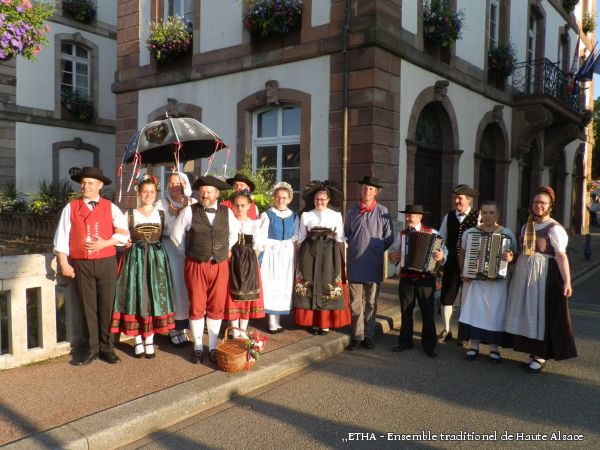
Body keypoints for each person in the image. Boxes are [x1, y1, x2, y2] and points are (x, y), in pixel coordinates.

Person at [53, 166, 129, 365]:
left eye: (90, 183)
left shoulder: (110, 207)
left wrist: (104, 242)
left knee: (107, 307)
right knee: (88, 308)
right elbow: (61, 238)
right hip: (83, 264)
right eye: (84, 183)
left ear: (100, 185)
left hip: (106, 263)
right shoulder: (71, 207)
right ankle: (92, 349)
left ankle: (107, 348)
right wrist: (63, 262)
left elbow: (123, 234)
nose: (86, 186)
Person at [504, 186, 577, 373]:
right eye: (536, 202)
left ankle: (542, 354)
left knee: (540, 313)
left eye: (543, 203)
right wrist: (513, 257)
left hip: (543, 275)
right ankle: (532, 351)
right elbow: (524, 251)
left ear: (550, 206)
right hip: (524, 273)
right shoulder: (527, 225)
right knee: (527, 312)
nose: (539, 206)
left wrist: (567, 281)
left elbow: (561, 256)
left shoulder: (555, 228)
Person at [170, 175, 238, 364]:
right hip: (196, 264)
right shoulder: (189, 212)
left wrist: (226, 249)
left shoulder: (227, 212)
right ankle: (198, 347)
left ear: (217, 194)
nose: (204, 195)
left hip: (220, 264)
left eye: (208, 192)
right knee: (197, 305)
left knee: (216, 306)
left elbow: (234, 233)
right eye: (201, 192)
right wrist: (191, 254)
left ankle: (214, 346)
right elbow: (176, 237)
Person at [110, 175, 176, 358]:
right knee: (137, 296)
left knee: (154, 298)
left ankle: (150, 339)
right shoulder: (129, 214)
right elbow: (120, 235)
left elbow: (175, 234)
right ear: (139, 193)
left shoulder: (162, 214)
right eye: (145, 192)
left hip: (156, 262)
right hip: (135, 261)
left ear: (156, 194)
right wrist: (125, 243)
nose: (148, 195)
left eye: (152, 192)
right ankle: (138, 339)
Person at [457, 201, 516, 363]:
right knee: (474, 311)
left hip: (497, 283)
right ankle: (473, 346)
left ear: (497, 215)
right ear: (480, 214)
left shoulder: (507, 233)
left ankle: (494, 349)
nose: (487, 216)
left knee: (495, 313)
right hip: (475, 281)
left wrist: (510, 257)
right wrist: (464, 271)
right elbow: (461, 254)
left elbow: (514, 255)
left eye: (491, 212)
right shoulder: (470, 233)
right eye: (484, 212)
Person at [294, 180, 351, 334]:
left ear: (328, 200)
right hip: (309, 253)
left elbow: (340, 238)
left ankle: (324, 323)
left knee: (327, 284)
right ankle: (313, 321)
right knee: (310, 283)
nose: (319, 202)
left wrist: (343, 261)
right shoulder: (306, 215)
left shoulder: (336, 215)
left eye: (322, 199)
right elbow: (300, 237)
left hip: (329, 254)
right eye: (317, 199)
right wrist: (297, 259)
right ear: (313, 200)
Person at [388, 205, 446, 358]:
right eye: (407, 215)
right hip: (407, 278)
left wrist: (441, 256)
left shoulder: (433, 233)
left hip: (425, 279)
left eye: (411, 216)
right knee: (406, 311)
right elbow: (392, 253)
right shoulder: (402, 234)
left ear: (420, 217)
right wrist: (393, 256)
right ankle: (405, 342)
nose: (408, 218)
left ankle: (429, 345)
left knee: (427, 312)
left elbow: (444, 253)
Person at [344, 176, 394, 350]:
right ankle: (357, 336)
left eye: (371, 189)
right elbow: (347, 234)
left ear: (376, 192)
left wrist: (376, 249)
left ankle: (369, 335)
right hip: (355, 263)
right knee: (355, 302)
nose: (367, 191)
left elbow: (389, 237)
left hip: (374, 264)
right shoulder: (352, 211)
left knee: (371, 302)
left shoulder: (383, 211)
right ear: (361, 189)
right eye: (365, 188)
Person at [156, 172, 197, 347]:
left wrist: (183, 209)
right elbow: (158, 227)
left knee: (188, 288)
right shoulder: (161, 204)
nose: (174, 186)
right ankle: (173, 328)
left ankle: (183, 328)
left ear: (185, 184)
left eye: (178, 183)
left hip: (189, 250)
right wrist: (174, 215)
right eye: (171, 183)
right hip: (170, 249)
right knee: (174, 287)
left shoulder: (193, 203)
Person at [438, 184, 480, 343]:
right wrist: (442, 257)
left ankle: (465, 334)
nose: (457, 201)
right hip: (451, 263)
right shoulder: (448, 216)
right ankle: (446, 329)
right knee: (447, 296)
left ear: (469, 200)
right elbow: (441, 238)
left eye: (460, 198)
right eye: (455, 197)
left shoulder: (478, 216)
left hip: (470, 264)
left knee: (468, 299)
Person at [223, 191, 266, 336]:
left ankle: (243, 330)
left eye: (243, 205)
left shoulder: (254, 224)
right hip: (233, 261)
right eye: (237, 205)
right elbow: (227, 243)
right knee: (233, 296)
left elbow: (258, 246)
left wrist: (250, 260)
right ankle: (235, 330)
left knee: (247, 296)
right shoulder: (230, 222)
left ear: (249, 206)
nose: (240, 208)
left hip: (248, 263)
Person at [258, 182, 298, 333]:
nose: (281, 200)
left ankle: (278, 321)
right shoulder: (267, 215)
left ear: (289, 199)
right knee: (271, 284)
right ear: (274, 198)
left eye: (284, 197)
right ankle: (271, 322)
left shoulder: (294, 216)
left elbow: (296, 236)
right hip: (271, 254)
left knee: (283, 285)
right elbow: (260, 236)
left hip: (287, 255)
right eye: (278, 197)